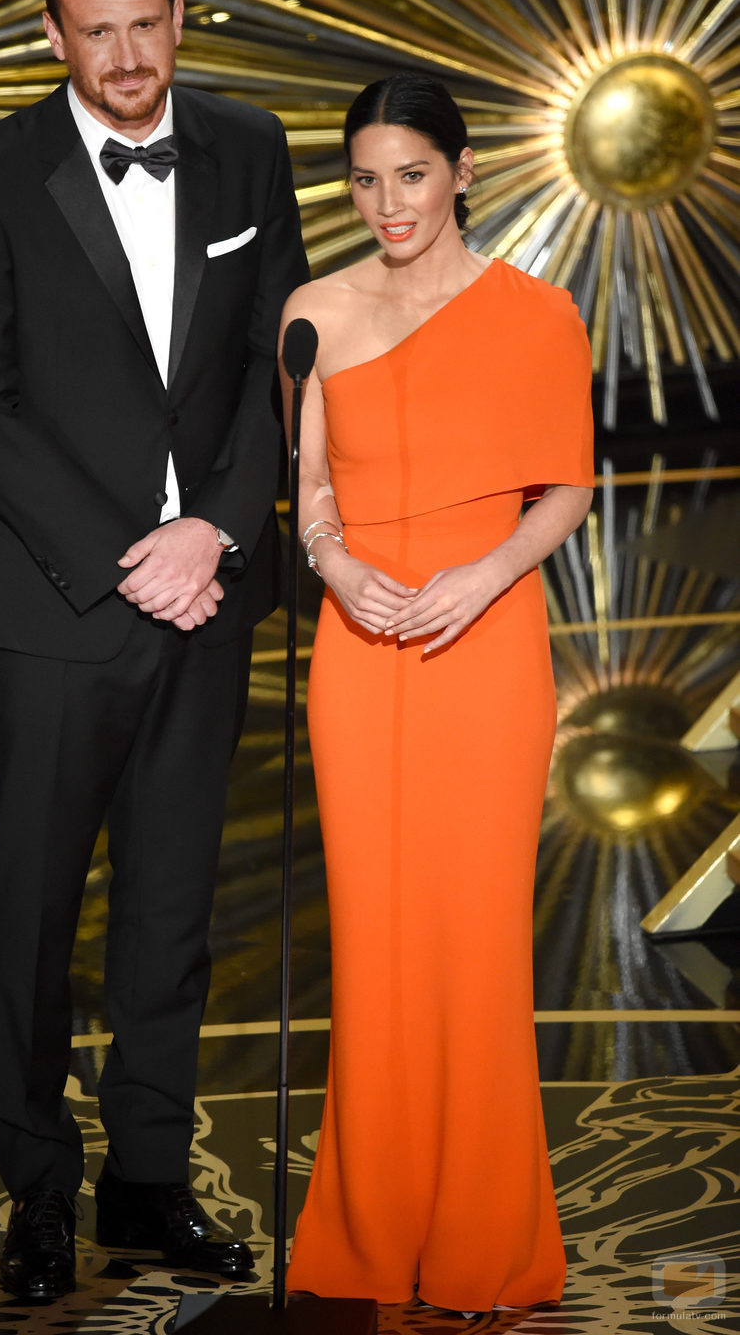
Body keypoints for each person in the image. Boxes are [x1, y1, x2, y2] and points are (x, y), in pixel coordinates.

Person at [0, 0, 308, 1303]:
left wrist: (213, 529)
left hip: (207, 593)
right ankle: (36, 1189)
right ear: (53, 35)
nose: (129, 54)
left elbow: (286, 367)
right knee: (29, 910)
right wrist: (125, 554)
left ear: (179, 11)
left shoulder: (251, 149)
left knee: (171, 907)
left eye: (148, 22)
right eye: (99, 31)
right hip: (54, 606)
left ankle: (150, 1178)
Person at [278, 72, 594, 1313]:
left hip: (486, 646)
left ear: (461, 172)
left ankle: (482, 1239)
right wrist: (334, 561)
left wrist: (480, 575)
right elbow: (308, 486)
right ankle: (367, 1233)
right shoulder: (313, 312)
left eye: (411, 174)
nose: (387, 202)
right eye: (365, 178)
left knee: (470, 945)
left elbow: (562, 488)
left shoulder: (535, 312)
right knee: (374, 948)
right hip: (356, 656)